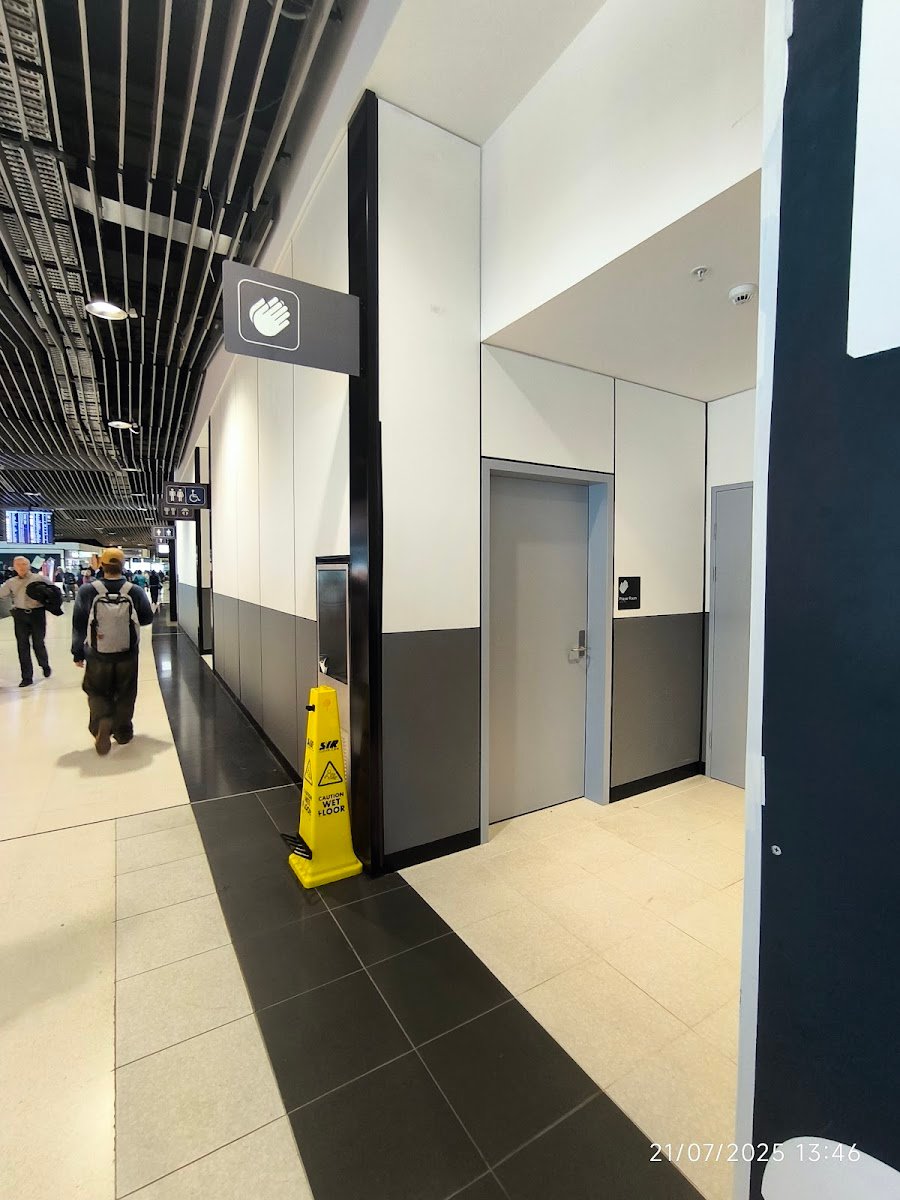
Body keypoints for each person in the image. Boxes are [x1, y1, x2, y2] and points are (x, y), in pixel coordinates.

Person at [72, 547, 153, 754]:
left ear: (102, 565)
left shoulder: (87, 590)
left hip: (97, 654)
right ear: (123, 565)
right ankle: (123, 731)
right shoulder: (134, 590)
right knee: (126, 691)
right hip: (127, 653)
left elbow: (79, 624)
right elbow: (147, 618)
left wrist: (77, 652)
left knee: (96, 690)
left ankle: (102, 721)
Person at [0, 555, 52, 687]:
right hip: (20, 615)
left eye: (24, 564)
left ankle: (44, 665)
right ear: (14, 567)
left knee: (38, 643)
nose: (21, 567)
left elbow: (54, 592)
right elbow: (1, 594)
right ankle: (27, 677)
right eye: (18, 565)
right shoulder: (11, 582)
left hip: (37, 614)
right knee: (22, 646)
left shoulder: (39, 579)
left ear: (29, 565)